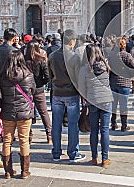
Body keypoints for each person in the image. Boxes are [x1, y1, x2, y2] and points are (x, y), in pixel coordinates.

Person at [48, 30, 86, 162]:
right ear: (71, 41)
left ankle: (56, 153)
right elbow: (78, 78)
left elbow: (50, 75)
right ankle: (73, 153)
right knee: (72, 124)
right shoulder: (75, 57)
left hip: (57, 93)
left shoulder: (52, 56)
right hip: (71, 94)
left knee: (56, 124)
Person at [0, 50, 36, 179]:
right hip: (24, 112)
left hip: (8, 111)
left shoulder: (3, 75)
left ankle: (8, 171)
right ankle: (24, 171)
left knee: (7, 140)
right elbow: (33, 91)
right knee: (24, 140)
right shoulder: (28, 74)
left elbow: (0, 93)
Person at [78, 44, 113, 167]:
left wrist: (85, 100)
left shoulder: (85, 69)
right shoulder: (106, 66)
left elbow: (81, 87)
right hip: (106, 100)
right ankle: (105, 159)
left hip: (92, 101)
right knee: (105, 130)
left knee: (94, 130)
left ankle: (94, 158)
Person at [24, 40, 52, 144]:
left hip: (26, 90)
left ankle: (29, 136)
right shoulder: (41, 60)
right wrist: (41, 83)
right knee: (44, 112)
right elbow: (47, 75)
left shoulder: (23, 60)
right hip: (39, 89)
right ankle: (49, 135)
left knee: (28, 113)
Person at [108, 38, 134, 132]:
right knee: (123, 106)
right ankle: (124, 125)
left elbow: (109, 68)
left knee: (114, 105)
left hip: (113, 82)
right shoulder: (127, 56)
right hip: (125, 83)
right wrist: (130, 75)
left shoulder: (112, 55)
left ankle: (113, 123)